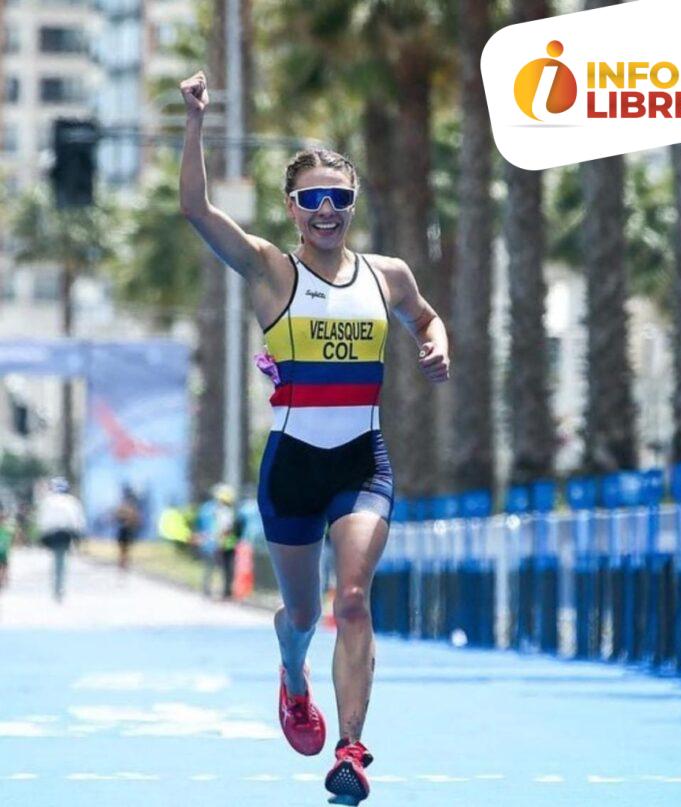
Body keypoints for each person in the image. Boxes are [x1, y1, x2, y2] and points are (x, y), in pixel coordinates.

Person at [180, 70, 449, 803]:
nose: (328, 210)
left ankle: (352, 749)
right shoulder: (272, 271)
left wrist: (436, 342)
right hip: (292, 468)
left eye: (341, 198)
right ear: (293, 209)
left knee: (353, 599)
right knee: (304, 613)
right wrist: (197, 119)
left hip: (362, 462)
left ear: (353, 205)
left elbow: (424, 317)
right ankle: (293, 672)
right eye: (313, 200)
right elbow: (196, 208)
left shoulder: (387, 274)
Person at [37, 477, 86, 602]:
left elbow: (42, 520)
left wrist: (42, 535)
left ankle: (57, 586)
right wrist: (78, 535)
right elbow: (77, 520)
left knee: (57, 559)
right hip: (65, 533)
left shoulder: (47, 501)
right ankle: (59, 586)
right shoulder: (72, 501)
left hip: (52, 533)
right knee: (61, 559)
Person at [195, 483, 237, 599]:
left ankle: (207, 590)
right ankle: (224, 592)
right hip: (219, 543)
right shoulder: (223, 511)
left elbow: (199, 525)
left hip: (208, 541)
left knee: (209, 567)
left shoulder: (206, 508)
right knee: (224, 568)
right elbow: (225, 528)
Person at [115, 485, 142, 570]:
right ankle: (123, 563)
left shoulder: (131, 507)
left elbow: (136, 519)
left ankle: (124, 563)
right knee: (123, 548)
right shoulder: (126, 507)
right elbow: (118, 516)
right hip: (124, 529)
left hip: (127, 530)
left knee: (125, 548)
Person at [0, 503, 12, 590]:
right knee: (4, 566)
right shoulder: (6, 530)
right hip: (3, 550)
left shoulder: (6, 530)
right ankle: (3, 580)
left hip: (4, 551)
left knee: (5, 565)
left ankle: (4, 580)